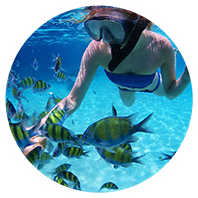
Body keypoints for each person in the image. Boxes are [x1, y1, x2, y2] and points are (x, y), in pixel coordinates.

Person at [33, 6, 192, 130]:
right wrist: (41, 129)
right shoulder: (96, 49)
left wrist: (187, 75)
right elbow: (72, 100)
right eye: (97, 28)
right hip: (125, 88)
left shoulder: (162, 46)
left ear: (136, 22)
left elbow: (171, 93)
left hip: (153, 83)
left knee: (163, 93)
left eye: (113, 28)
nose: (106, 38)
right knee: (129, 104)